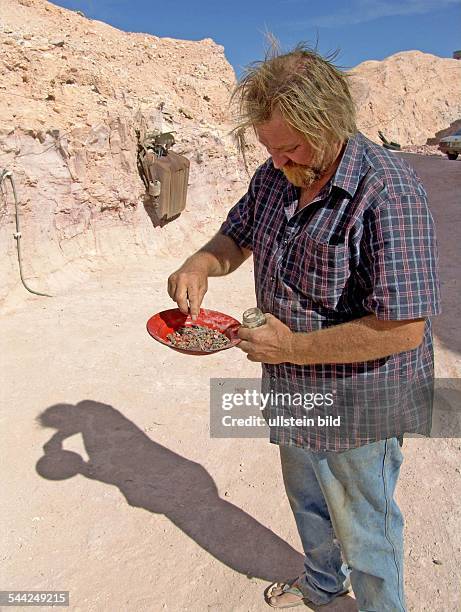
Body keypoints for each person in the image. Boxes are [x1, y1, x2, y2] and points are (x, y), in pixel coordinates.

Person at [167, 42, 441, 611]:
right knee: (309, 499)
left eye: (290, 146)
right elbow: (235, 238)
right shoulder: (275, 177)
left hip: (362, 396)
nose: (278, 160)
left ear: (332, 124)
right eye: (269, 146)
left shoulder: (389, 193)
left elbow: (404, 329)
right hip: (292, 384)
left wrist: (293, 345)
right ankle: (322, 585)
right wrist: (200, 262)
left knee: (366, 527)